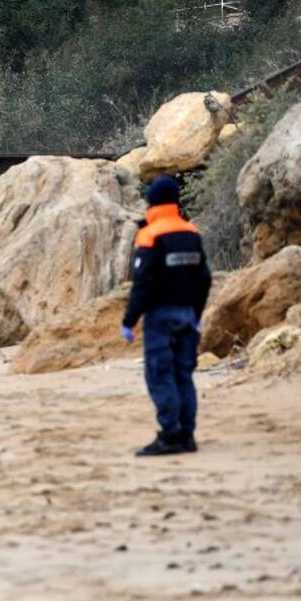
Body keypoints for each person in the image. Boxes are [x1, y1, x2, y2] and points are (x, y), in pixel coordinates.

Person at [121, 175, 213, 457]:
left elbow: (143, 282)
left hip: (160, 317)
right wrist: (196, 313)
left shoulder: (149, 235)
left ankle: (170, 434)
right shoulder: (192, 232)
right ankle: (187, 434)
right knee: (183, 375)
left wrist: (129, 320)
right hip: (187, 315)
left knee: (161, 375)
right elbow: (204, 279)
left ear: (151, 200)